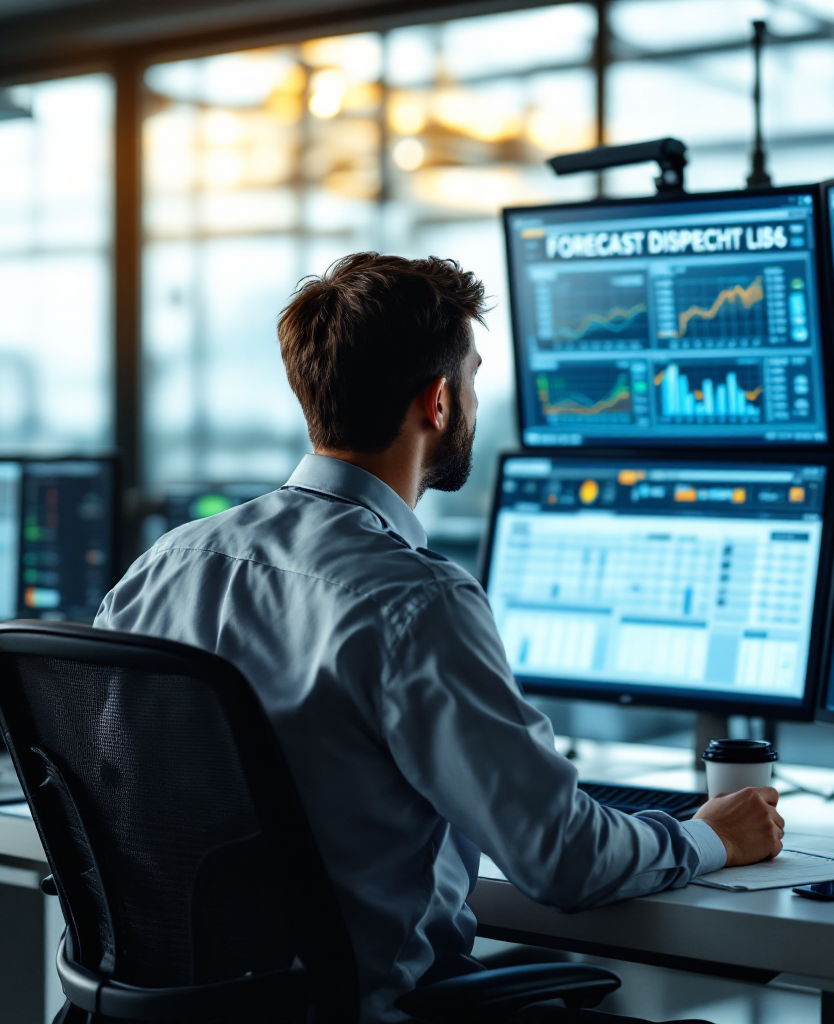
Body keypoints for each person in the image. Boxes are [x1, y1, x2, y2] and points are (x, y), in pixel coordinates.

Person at [96, 253, 784, 1024]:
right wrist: (709, 837)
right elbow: (562, 860)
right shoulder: (413, 598)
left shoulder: (164, 563)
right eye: (476, 379)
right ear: (441, 402)